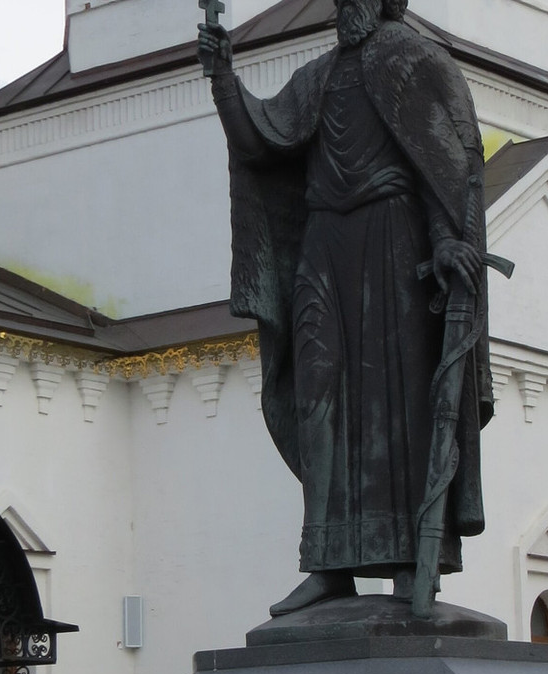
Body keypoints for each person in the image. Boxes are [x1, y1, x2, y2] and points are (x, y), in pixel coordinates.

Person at [199, 0, 494, 616]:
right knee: (317, 396)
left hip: (393, 246)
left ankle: (417, 562)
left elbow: (452, 163)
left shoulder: (414, 59)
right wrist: (223, 78)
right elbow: (261, 140)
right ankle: (329, 564)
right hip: (325, 247)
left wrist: (444, 240)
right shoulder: (322, 73)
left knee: (400, 405)